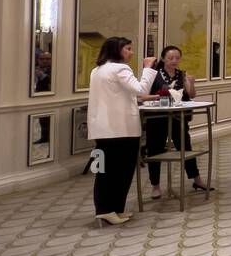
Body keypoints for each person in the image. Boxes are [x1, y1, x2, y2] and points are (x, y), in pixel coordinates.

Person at [87, 37, 157, 225]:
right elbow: (141, 89)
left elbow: (118, 95)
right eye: (128, 48)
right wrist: (148, 68)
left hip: (103, 129)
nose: (131, 52)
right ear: (117, 50)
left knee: (105, 171)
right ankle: (107, 209)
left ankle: (112, 209)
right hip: (121, 128)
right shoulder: (120, 69)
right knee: (121, 171)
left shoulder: (97, 70)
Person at [144, 45, 211, 199]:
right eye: (170, 58)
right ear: (163, 59)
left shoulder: (181, 74)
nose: (174, 61)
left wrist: (191, 83)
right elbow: (143, 95)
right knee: (155, 150)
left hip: (178, 117)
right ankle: (155, 185)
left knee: (185, 147)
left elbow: (191, 95)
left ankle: (196, 179)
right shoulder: (154, 74)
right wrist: (160, 96)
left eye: (177, 58)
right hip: (157, 118)